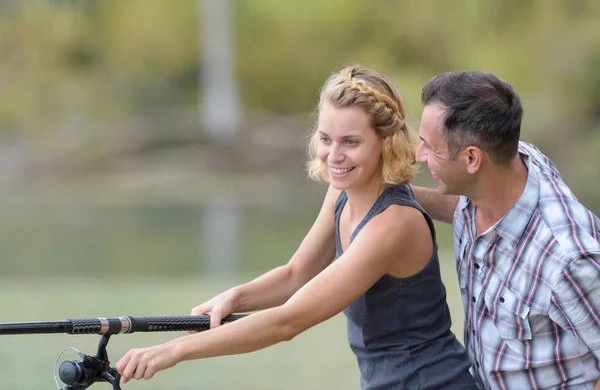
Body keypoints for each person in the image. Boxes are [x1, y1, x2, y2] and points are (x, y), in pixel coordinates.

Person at [116, 65, 478, 389]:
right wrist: (234, 298)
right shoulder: (342, 192)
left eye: (350, 142)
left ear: (386, 142)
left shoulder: (394, 224)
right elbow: (296, 274)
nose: (333, 156)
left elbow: (288, 322)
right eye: (326, 139)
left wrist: (174, 351)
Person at [411, 71, 600, 390]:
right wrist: (392, 193)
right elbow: (461, 209)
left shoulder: (567, 260)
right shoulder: (510, 163)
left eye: (430, 147)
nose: (419, 156)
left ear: (472, 158)